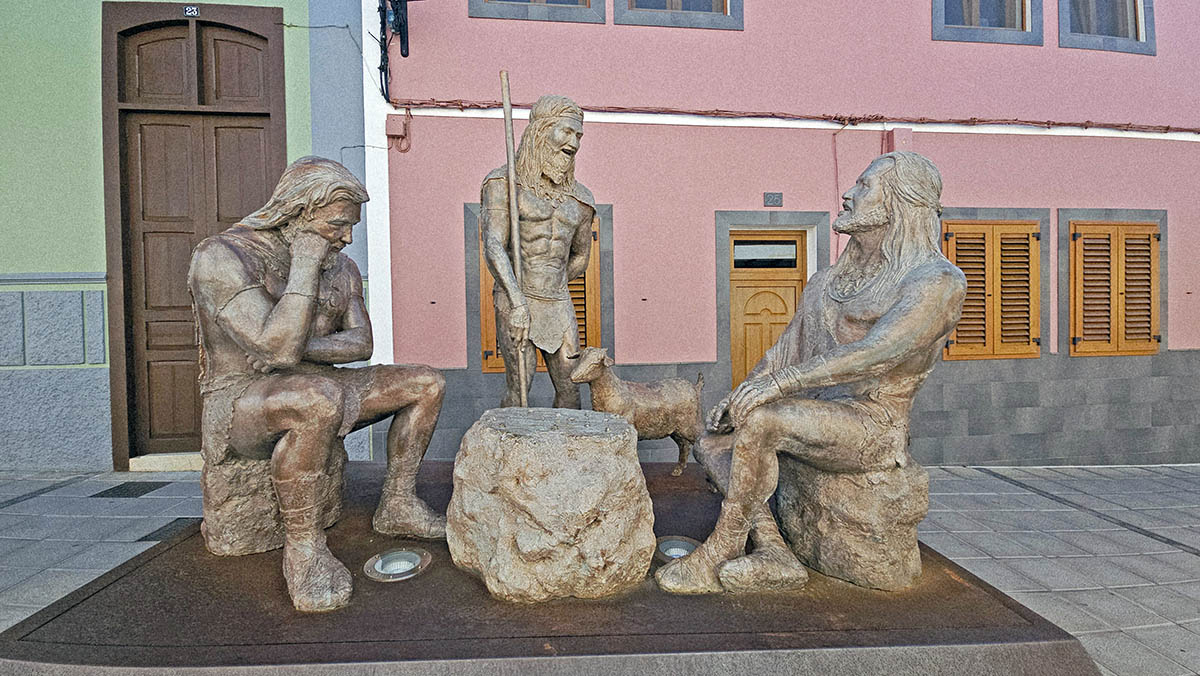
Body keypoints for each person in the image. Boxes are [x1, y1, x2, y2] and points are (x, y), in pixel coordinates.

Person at [656, 151, 967, 594]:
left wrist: (775, 389)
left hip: (872, 426)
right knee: (714, 440)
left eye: (864, 186)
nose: (848, 193)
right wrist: (742, 394)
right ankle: (774, 550)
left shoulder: (935, 281)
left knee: (764, 422)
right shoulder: (825, 281)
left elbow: (878, 352)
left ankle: (720, 551)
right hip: (816, 415)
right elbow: (785, 352)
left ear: (899, 202)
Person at [188, 157, 446, 612]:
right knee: (317, 398)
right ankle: (303, 547)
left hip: (318, 383)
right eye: (337, 225)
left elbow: (360, 343)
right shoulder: (223, 257)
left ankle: (398, 502)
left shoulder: (341, 266)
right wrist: (305, 264)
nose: (346, 237)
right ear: (301, 213)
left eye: (350, 227)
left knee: (426, 382)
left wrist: (294, 344)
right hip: (240, 402)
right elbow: (275, 353)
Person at [481, 95, 595, 408]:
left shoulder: (582, 200)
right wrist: (517, 300)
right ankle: (512, 452)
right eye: (568, 132)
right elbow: (493, 245)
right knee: (520, 386)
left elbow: (581, 256)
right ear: (542, 132)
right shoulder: (503, 183)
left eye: (579, 136)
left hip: (558, 302)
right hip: (517, 297)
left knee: (571, 386)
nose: (574, 143)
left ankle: (567, 452)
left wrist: (556, 278)